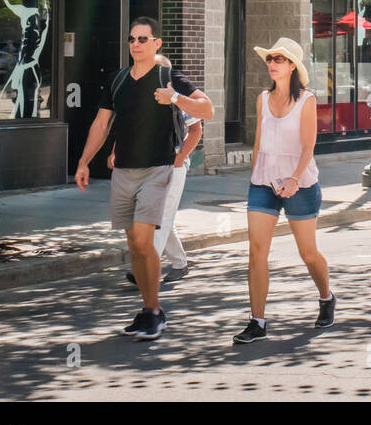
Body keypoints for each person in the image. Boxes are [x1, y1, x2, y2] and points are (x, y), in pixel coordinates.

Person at [74, 17, 213, 341]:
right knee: (133, 247)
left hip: (158, 168)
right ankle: (149, 310)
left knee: (142, 241)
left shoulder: (168, 77)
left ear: (156, 43)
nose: (136, 44)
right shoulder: (118, 80)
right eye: (132, 39)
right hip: (124, 170)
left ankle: (153, 312)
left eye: (143, 39)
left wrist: (175, 99)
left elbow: (207, 110)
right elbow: (101, 123)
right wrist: (83, 162)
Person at [233, 37, 334, 344]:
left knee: (308, 253)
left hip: (299, 184)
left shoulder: (307, 99)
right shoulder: (263, 98)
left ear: (292, 66)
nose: (272, 64)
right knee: (256, 251)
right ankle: (258, 321)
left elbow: (308, 145)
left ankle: (326, 297)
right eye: (270, 59)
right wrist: (254, 178)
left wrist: (293, 179)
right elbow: (259, 141)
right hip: (263, 183)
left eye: (279, 59)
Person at [114, 54, 203, 286]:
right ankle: (179, 263)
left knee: (161, 216)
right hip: (147, 165)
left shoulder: (180, 99)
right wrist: (116, 152)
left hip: (174, 164)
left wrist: (181, 157)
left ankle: (143, 268)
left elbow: (196, 131)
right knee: (157, 215)